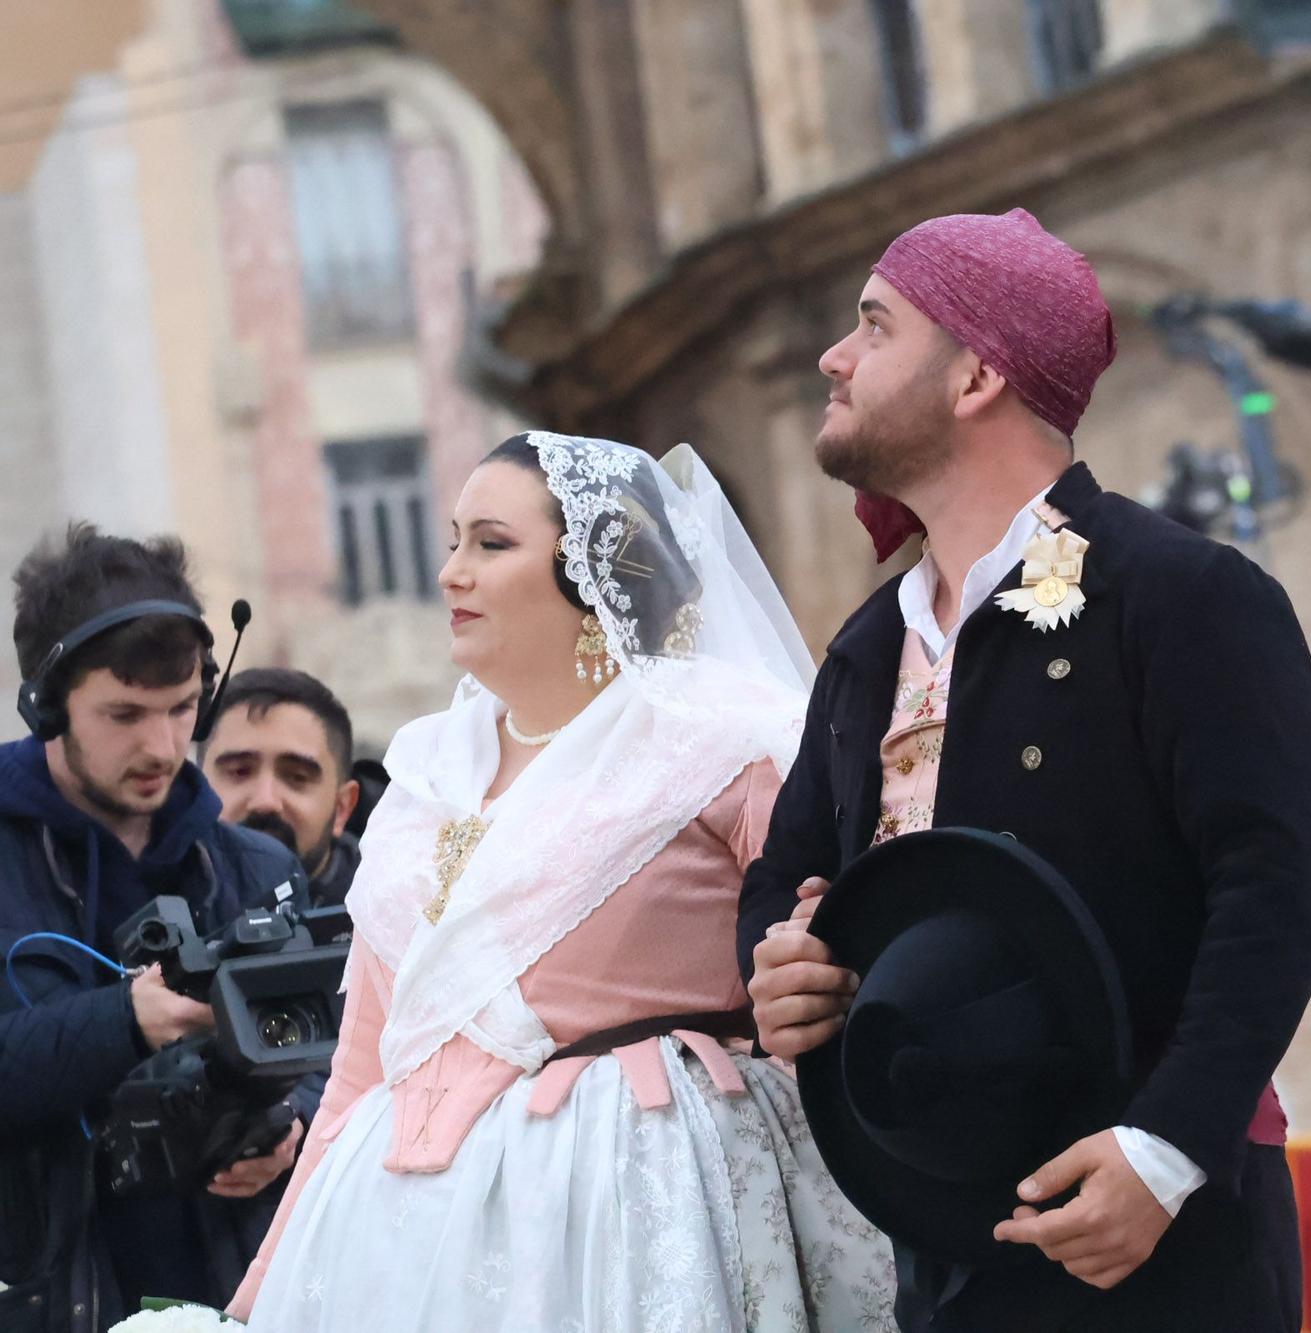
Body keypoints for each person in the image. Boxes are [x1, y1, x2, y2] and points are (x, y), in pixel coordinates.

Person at [741, 208, 1311, 1331]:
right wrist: (779, 967)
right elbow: (785, 879)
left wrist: (1164, 1150)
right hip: (929, 1217)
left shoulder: (1176, 596)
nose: (834, 357)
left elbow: (1281, 881)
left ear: (975, 373)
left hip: (1148, 1232)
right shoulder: (867, 647)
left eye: (873, 327)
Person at [229, 433, 895, 1331]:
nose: (451, 574)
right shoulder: (426, 773)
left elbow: (838, 958)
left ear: (597, 565)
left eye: (491, 543)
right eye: (454, 540)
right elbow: (361, 1069)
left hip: (631, 1215)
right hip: (391, 1246)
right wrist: (256, 1296)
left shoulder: (724, 739)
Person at [0, 525, 307, 1331]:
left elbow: (345, 1050)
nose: (163, 744)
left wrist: (295, 1125)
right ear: (46, 705)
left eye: (181, 709)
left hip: (240, 1293)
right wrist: (125, 1020)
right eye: (124, 713)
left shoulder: (259, 869)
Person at [202, 669, 361, 907]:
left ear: (342, 808)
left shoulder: (399, 930)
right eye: (239, 771)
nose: (265, 801)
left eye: (297, 777)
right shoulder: (141, 901)